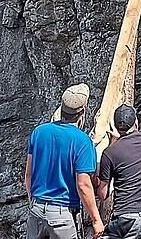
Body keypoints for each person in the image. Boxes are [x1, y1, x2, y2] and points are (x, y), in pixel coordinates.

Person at [26, 84, 104, 239]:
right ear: (83, 112)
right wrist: (96, 220)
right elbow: (83, 184)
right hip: (61, 214)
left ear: (61, 108)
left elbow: (28, 175)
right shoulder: (82, 141)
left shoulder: (39, 132)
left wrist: (34, 202)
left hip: (36, 210)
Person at [96, 104, 141, 239]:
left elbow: (102, 194)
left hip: (127, 220)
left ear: (115, 127)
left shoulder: (110, 153)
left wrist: (112, 144)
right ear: (136, 122)